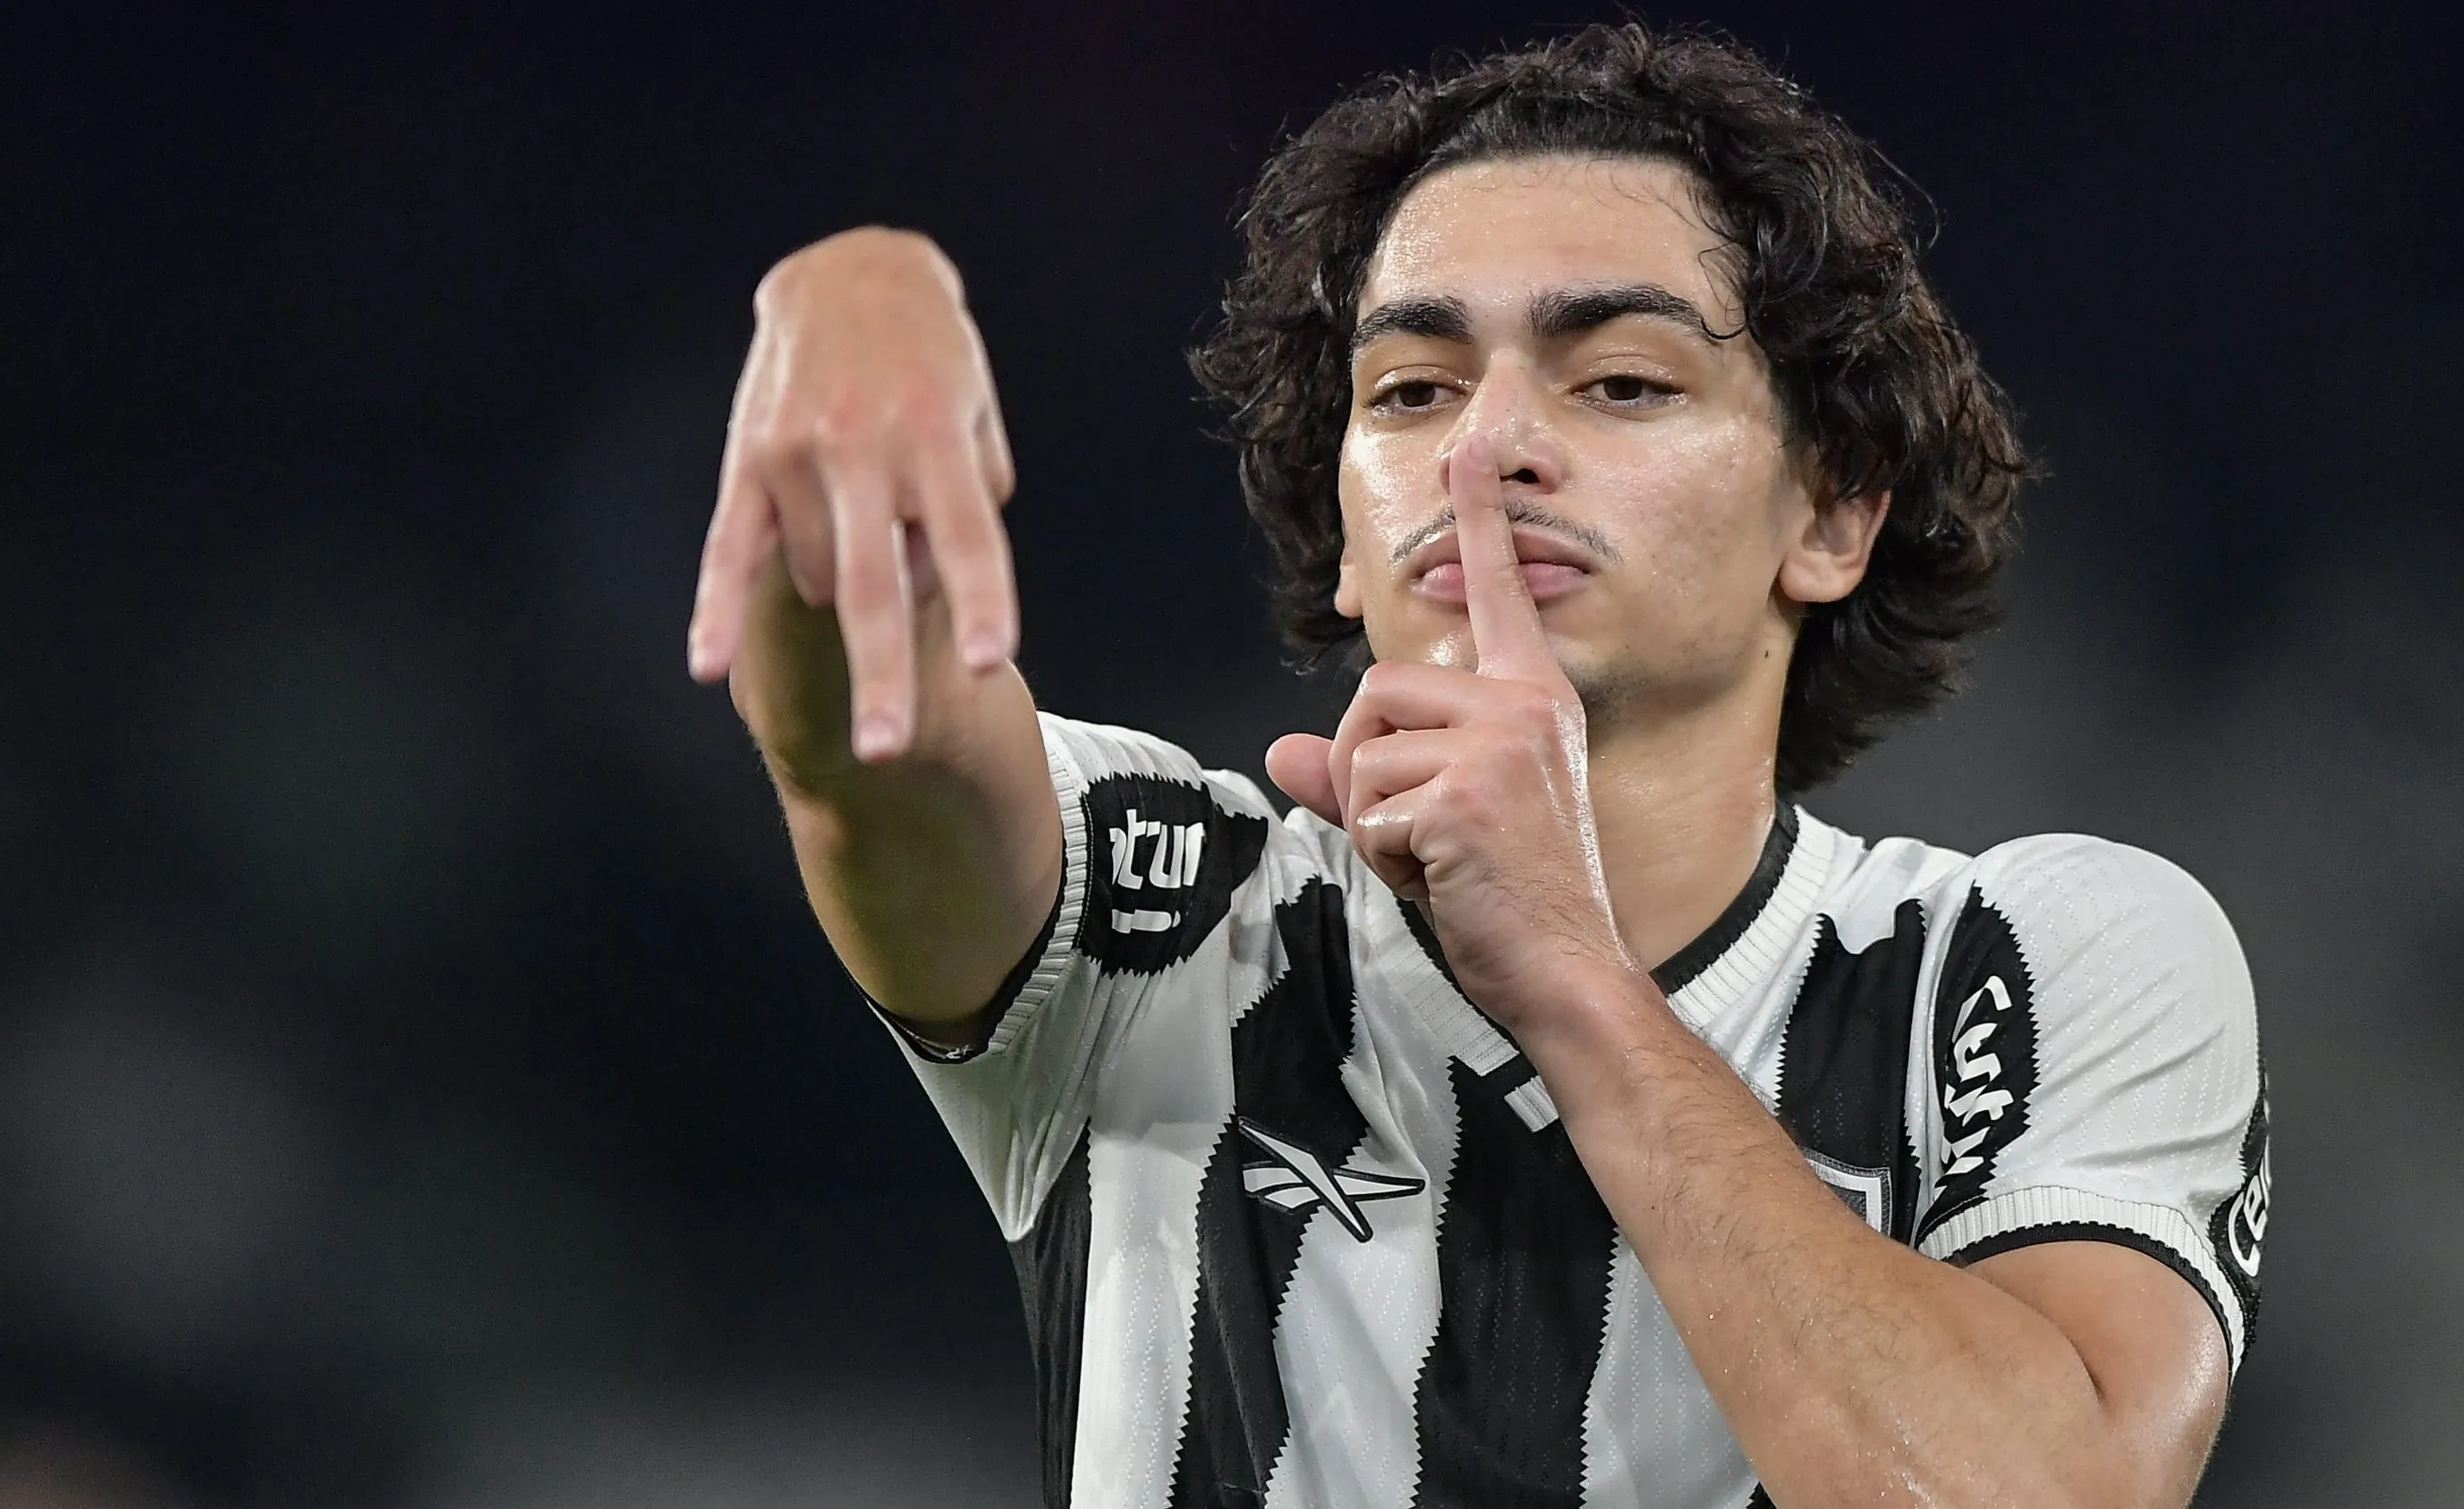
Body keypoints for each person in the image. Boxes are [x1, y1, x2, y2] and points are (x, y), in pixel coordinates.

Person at [684, 24, 2267, 1509]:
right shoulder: (1169, 928)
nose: (1486, 446)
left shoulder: (2043, 957)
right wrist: (849, 301)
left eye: (1624, 380)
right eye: (1412, 390)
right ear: (1352, 545)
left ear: (1833, 512)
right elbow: (855, 731)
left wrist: (1566, 971)